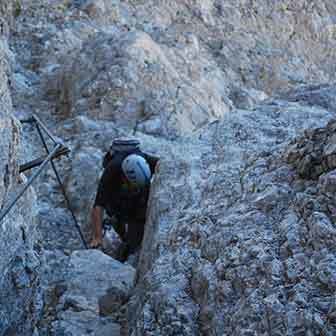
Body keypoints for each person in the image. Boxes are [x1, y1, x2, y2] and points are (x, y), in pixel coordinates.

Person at [90, 141, 159, 261]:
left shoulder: (147, 161)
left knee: (136, 232)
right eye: (134, 185)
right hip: (117, 199)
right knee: (117, 216)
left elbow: (165, 164)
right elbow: (98, 205)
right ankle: (120, 233)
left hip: (138, 201)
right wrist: (97, 237)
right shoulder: (112, 170)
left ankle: (130, 250)